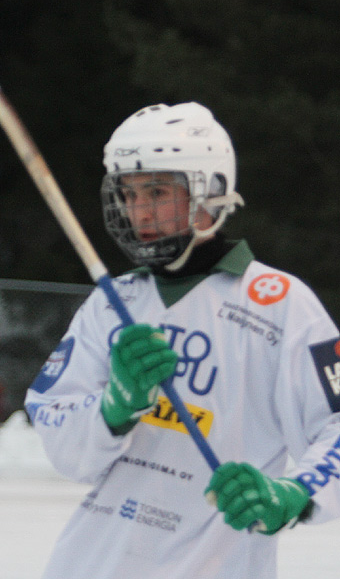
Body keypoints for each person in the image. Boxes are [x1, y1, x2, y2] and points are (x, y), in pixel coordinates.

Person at [24, 102, 340, 578]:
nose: (139, 210)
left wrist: (293, 494)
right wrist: (115, 406)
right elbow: (60, 437)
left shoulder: (280, 304)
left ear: (210, 191)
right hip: (94, 562)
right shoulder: (113, 303)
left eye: (157, 190)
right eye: (128, 193)